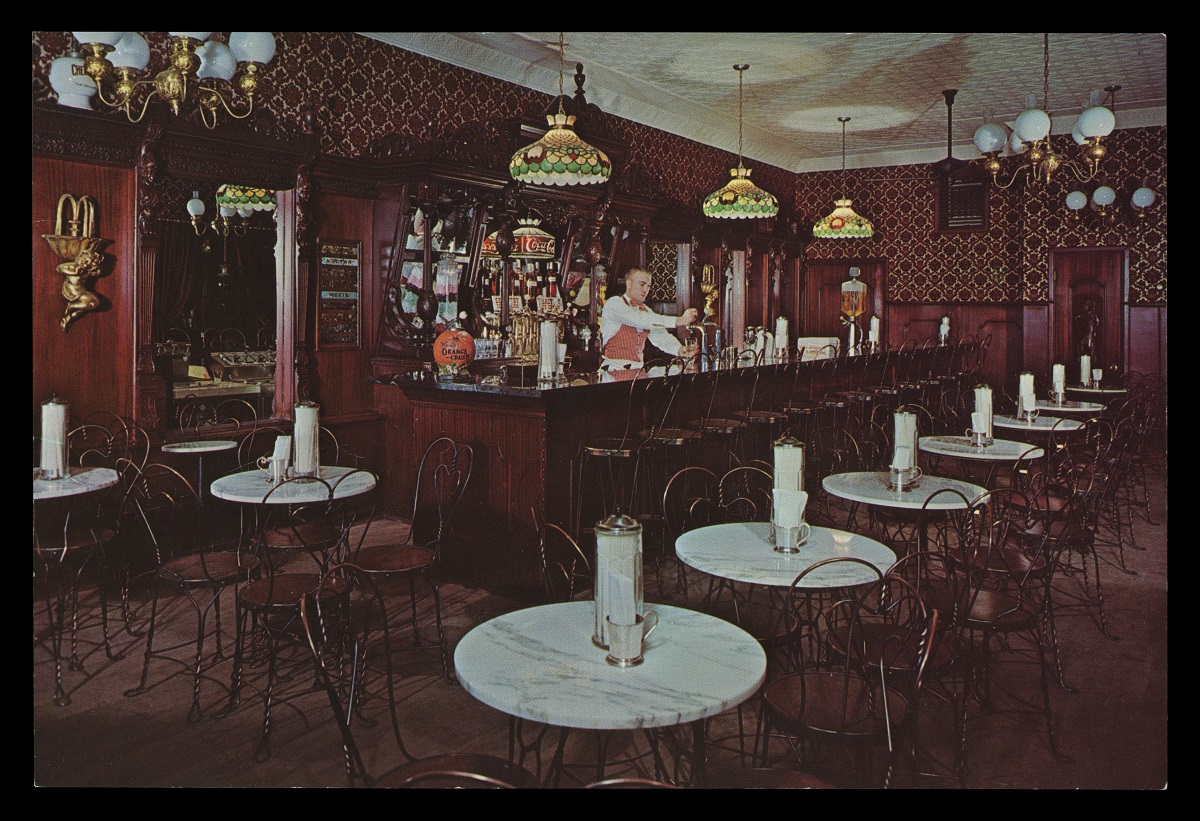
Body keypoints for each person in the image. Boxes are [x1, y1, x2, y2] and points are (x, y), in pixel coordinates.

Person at [600, 267, 698, 380]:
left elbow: (660, 337)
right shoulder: (614, 304)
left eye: (648, 286)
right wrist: (679, 320)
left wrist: (679, 349)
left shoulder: (645, 310)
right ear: (629, 284)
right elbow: (643, 320)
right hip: (613, 373)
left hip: (638, 373)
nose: (646, 289)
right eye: (642, 284)